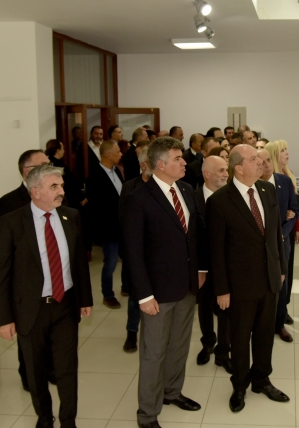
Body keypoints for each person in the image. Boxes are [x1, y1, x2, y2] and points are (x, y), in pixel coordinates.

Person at [0, 164, 93, 428]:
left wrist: (85, 299)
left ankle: (68, 420)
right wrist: (3, 318)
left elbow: (79, 263)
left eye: (60, 185)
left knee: (67, 368)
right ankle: (45, 418)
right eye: (54, 187)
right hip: (30, 308)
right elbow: (1, 275)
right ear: (35, 191)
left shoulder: (71, 216)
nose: (61, 191)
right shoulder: (11, 223)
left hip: (65, 305)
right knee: (35, 370)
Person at [123, 137, 209, 428]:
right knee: (153, 353)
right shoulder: (138, 199)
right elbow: (132, 252)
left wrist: (201, 270)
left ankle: (172, 392)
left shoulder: (186, 189)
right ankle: (147, 414)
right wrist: (144, 295)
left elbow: (194, 235)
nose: (184, 162)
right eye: (177, 159)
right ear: (160, 164)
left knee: (179, 345)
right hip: (157, 292)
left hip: (186, 286)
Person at [206, 144, 289, 413]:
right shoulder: (220, 201)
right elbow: (216, 251)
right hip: (239, 285)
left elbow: (276, 235)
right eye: (254, 159)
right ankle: (240, 384)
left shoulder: (267, 190)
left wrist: (282, 268)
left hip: (269, 280)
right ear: (238, 168)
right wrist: (222, 289)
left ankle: (261, 379)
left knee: (265, 335)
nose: (262, 163)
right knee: (240, 339)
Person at [0, 149, 57, 391]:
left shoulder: (57, 195)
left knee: (51, 334)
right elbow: (4, 256)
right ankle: (29, 375)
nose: (49, 168)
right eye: (44, 165)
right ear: (27, 171)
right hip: (26, 285)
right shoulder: (8, 203)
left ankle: (50, 368)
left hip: (55, 281)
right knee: (29, 336)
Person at [194, 156, 232, 373]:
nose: (225, 174)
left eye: (226, 170)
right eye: (220, 171)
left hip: (227, 266)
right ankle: (208, 342)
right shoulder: (193, 197)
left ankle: (223, 351)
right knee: (205, 307)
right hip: (203, 267)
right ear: (206, 174)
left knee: (225, 309)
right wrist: (199, 268)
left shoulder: (232, 197)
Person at [257, 149, 298, 342]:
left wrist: (282, 233)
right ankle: (260, 324)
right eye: (261, 162)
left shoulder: (284, 182)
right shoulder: (252, 186)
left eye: (268, 160)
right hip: (258, 245)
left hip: (281, 243)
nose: (266, 165)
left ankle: (279, 324)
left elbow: (294, 211)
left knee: (282, 282)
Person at [265, 140, 299, 324]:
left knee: (284, 275)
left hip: (283, 237)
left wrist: (288, 229)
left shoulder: (286, 179)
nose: (287, 153)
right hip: (266, 239)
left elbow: (294, 210)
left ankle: (280, 315)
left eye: (287, 149)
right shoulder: (259, 183)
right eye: (282, 150)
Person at [119, 144, 151, 353]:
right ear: (143, 165)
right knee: (135, 295)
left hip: (158, 252)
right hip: (136, 251)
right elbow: (123, 220)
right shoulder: (130, 187)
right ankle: (132, 332)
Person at [85, 140, 124, 309]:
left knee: (129, 259)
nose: (121, 154)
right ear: (108, 155)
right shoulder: (94, 177)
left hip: (123, 226)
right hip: (108, 228)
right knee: (111, 262)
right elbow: (97, 206)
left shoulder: (118, 172)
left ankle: (127, 287)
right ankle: (107, 294)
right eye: (118, 152)